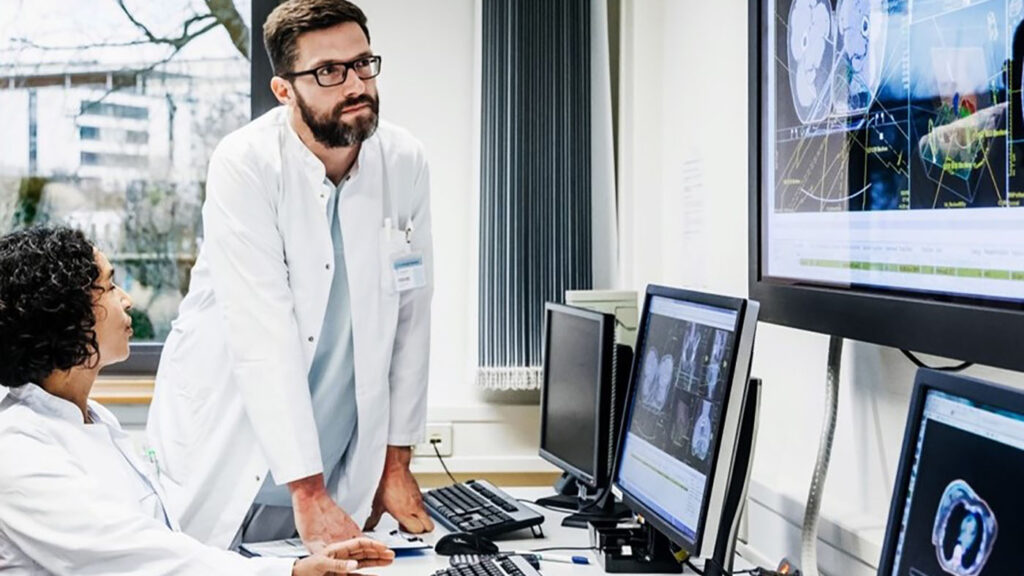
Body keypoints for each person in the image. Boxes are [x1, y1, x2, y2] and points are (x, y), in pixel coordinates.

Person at [145, 0, 435, 551]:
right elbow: (263, 335)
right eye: (328, 72)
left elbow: (412, 318)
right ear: (284, 91)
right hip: (236, 444)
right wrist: (306, 490)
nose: (355, 84)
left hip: (336, 457)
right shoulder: (245, 163)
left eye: (362, 63)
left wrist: (396, 462)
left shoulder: (404, 160)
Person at [0, 226, 395, 576]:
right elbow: (137, 556)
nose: (127, 300)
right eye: (109, 286)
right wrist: (286, 572)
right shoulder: (18, 450)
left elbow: (161, 542)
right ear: (66, 315)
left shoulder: (92, 418)